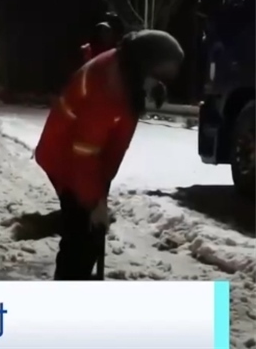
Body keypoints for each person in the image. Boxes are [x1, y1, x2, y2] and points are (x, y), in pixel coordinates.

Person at [36, 29, 184, 280]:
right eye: (158, 77)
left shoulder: (127, 73)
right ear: (145, 66)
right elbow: (83, 154)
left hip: (84, 154)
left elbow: (111, 142)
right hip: (65, 158)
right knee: (80, 237)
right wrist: (95, 201)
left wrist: (102, 187)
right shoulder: (107, 88)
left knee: (89, 233)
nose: (159, 85)